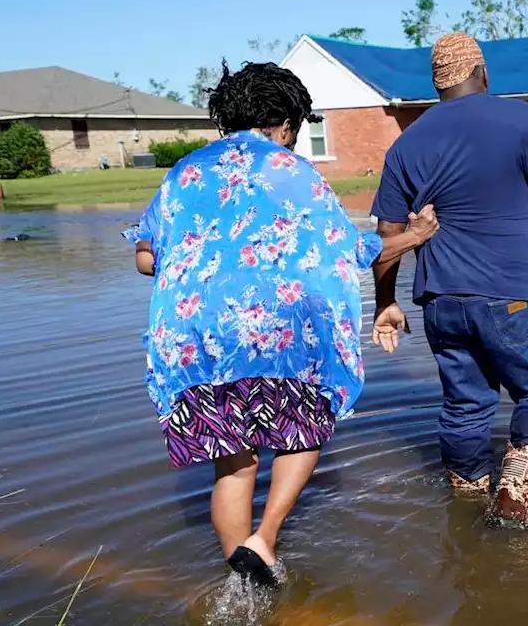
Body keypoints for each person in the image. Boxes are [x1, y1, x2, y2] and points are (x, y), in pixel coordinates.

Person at [122, 62, 438, 587]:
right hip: (284, 336)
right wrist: (417, 235)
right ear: (288, 124)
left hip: (201, 341)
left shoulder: (183, 173)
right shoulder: (294, 172)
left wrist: (209, 260)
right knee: (304, 427)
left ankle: (240, 583)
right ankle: (264, 537)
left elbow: (146, 259)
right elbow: (347, 250)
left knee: (233, 463)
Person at [369, 33, 528, 527]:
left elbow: (387, 235)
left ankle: (467, 499)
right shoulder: (520, 119)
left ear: (437, 83)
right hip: (512, 295)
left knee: (464, 405)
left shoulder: (405, 145)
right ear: (482, 73)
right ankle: (519, 472)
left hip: (440, 302)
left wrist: (385, 302)